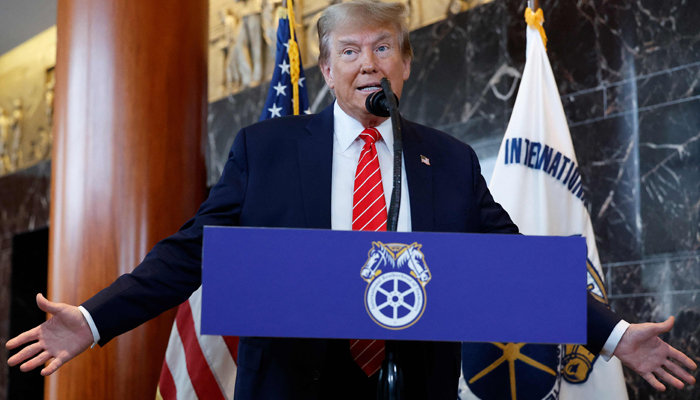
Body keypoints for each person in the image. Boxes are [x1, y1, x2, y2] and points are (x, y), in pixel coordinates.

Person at [6, 1, 696, 399]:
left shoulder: (449, 161)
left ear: (405, 62)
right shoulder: (265, 150)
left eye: (383, 47)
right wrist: (93, 321)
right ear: (328, 66)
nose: (368, 62)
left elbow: (516, 267)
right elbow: (191, 254)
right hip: (290, 387)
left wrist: (613, 335)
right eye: (350, 49)